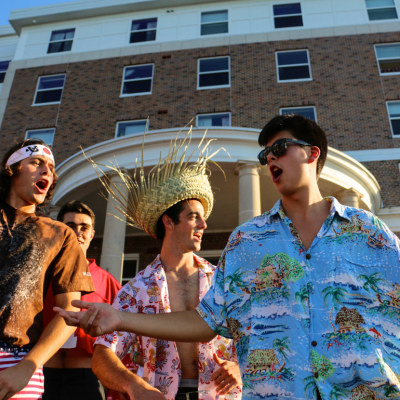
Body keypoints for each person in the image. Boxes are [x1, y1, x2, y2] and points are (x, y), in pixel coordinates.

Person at [58, 114, 400, 399]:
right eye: (265, 155)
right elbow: (207, 322)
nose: (270, 159)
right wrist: (120, 320)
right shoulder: (246, 243)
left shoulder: (370, 233)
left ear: (312, 154)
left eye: (279, 149)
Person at [84, 132, 241, 400]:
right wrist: (135, 386)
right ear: (168, 222)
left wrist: (239, 367)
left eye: (203, 218)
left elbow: (260, 335)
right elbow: (102, 355)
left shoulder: (223, 281)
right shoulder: (136, 290)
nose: (203, 225)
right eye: (193, 217)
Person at [0, 139, 95, 400]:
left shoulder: (60, 233)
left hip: (17, 362)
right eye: (36, 162)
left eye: (51, 168)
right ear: (12, 168)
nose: (47, 172)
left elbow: (71, 309)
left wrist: (28, 367)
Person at [42, 201, 122, 400]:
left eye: (84, 228)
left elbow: (122, 336)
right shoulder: (41, 276)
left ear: (92, 235)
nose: (78, 232)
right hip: (42, 373)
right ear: (59, 231)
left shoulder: (108, 281)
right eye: (70, 226)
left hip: (86, 378)